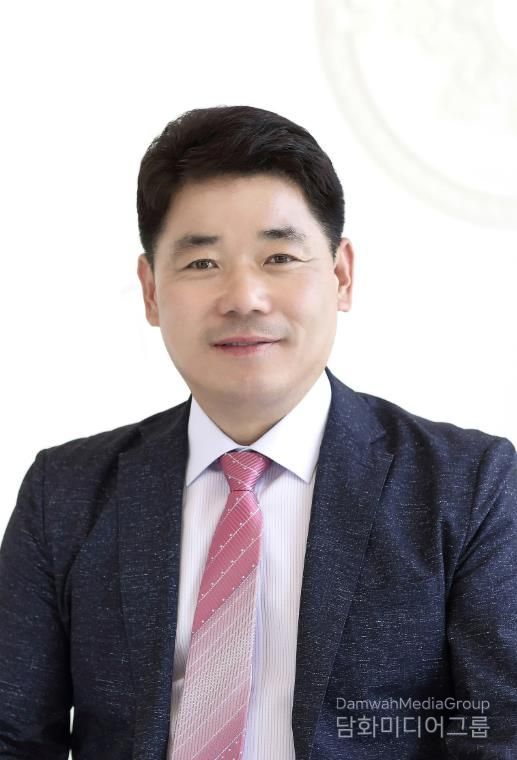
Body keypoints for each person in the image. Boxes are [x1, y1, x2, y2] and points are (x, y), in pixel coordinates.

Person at [0, 105, 516, 760]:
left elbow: (501, 734)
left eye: (279, 256)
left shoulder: (468, 486)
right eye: (201, 263)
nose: (244, 297)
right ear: (151, 291)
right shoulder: (65, 494)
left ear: (341, 275)